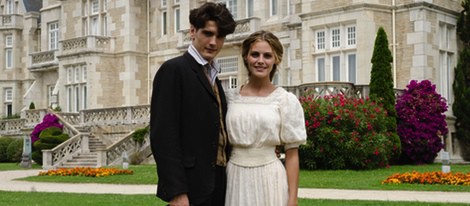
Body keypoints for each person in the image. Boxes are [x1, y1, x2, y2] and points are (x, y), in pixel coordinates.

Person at [150, 2, 236, 206]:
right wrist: (177, 193)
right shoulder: (174, 70)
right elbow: (163, 137)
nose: (213, 42)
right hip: (191, 187)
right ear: (192, 31)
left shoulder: (213, 74)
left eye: (220, 36)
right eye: (208, 33)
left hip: (218, 182)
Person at [224, 30, 307, 206]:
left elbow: (292, 153)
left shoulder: (285, 100)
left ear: (276, 59)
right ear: (246, 57)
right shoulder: (229, 98)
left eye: (267, 56)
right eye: (255, 54)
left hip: (270, 177)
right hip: (235, 177)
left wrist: (292, 199)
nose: (260, 61)